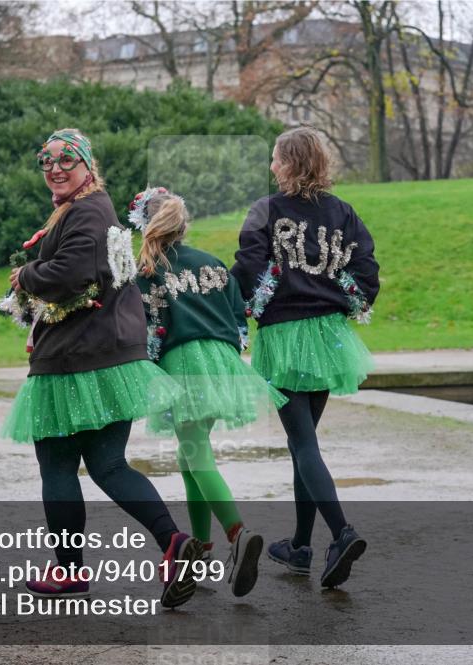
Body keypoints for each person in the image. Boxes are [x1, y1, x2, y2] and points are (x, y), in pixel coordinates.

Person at [2, 129, 205, 609]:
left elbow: (74, 273)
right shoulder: (91, 208)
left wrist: (25, 276)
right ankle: (174, 544)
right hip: (107, 353)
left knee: (56, 463)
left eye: (65, 161)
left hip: (78, 358)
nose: (54, 169)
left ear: (87, 167)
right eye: (46, 161)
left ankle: (70, 572)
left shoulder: (89, 211)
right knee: (108, 464)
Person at [231, 127, 378, 589]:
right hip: (331, 336)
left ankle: (342, 532)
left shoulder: (267, 210)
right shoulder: (343, 212)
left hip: (285, 334)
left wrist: (241, 306)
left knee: (302, 444)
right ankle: (300, 546)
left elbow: (248, 266)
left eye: (276, 159)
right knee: (304, 442)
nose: (272, 167)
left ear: (291, 162)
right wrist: (348, 298)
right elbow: (366, 269)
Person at [132, 186, 287, 597]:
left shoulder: (145, 270)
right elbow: (238, 316)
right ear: (183, 224)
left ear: (144, 224)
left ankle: (238, 534)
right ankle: (200, 549)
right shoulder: (213, 263)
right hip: (223, 363)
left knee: (197, 455)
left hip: (184, 363)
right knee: (190, 457)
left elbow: (146, 329)